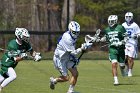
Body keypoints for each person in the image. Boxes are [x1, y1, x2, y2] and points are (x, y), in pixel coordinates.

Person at [49, 21, 92, 93]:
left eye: (77, 32)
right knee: (66, 78)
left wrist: (75, 57)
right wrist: (82, 48)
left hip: (67, 56)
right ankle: (54, 80)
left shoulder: (72, 36)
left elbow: (71, 52)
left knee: (75, 73)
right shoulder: (67, 38)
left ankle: (70, 91)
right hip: (60, 59)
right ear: (70, 30)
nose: (76, 34)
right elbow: (73, 52)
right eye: (74, 32)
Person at [100, 15, 127, 85]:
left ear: (115, 21)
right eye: (109, 21)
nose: (110, 22)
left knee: (122, 65)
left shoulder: (120, 27)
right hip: (112, 49)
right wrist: (102, 39)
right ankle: (116, 80)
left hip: (121, 49)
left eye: (112, 21)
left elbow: (126, 37)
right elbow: (106, 37)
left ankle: (122, 68)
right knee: (114, 64)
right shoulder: (107, 29)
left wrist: (122, 42)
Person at [122, 12, 140, 77]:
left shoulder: (135, 25)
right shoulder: (123, 25)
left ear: (132, 17)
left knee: (130, 58)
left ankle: (129, 71)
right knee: (124, 58)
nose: (128, 18)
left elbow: (138, 33)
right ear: (125, 17)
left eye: (129, 17)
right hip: (125, 43)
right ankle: (128, 67)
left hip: (132, 43)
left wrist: (136, 36)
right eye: (127, 17)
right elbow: (121, 33)